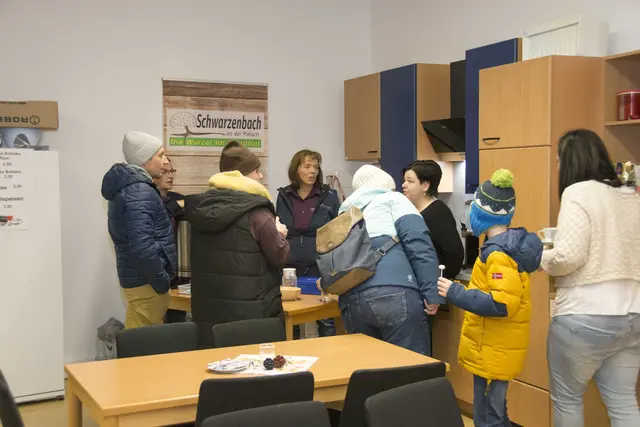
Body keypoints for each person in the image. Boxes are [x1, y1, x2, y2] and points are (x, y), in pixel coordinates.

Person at [540, 129, 640, 427]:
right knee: (624, 401)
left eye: (558, 160)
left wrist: (541, 258)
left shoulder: (577, 192)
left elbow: (568, 258)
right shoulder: (631, 195)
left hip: (584, 315)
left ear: (570, 161)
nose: (558, 167)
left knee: (568, 400)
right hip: (633, 316)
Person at [436, 169, 542, 427]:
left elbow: (501, 303)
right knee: (494, 412)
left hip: (494, 348)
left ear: (483, 214)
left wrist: (455, 292)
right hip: (496, 347)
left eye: (473, 207)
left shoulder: (498, 255)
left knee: (487, 417)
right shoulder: (505, 247)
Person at [184, 141, 290, 348]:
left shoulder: (201, 209)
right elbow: (279, 256)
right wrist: (280, 234)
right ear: (242, 175)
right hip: (253, 317)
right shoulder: (258, 212)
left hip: (209, 316)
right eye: (256, 171)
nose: (261, 176)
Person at [337, 165, 443, 356]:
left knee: (369, 368)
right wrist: (431, 292)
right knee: (409, 366)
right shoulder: (394, 199)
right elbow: (419, 246)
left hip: (352, 300)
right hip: (394, 294)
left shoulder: (345, 211)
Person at [101, 131, 177, 329]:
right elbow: (142, 246)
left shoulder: (130, 189)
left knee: (141, 339)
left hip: (141, 281)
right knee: (143, 344)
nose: (165, 161)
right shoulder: (139, 191)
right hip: (147, 284)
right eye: (160, 155)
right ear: (145, 160)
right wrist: (161, 281)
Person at [276, 150, 340, 337]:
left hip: (321, 266)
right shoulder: (284, 196)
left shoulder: (329, 196)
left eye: (316, 167)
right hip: (290, 269)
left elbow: (337, 231)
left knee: (326, 318)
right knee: (291, 316)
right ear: (296, 169)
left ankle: (331, 353)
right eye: (307, 166)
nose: (312, 171)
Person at [402, 160, 463, 279]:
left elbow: (454, 253)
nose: (404, 185)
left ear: (425, 186)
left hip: (433, 281)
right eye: (404, 180)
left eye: (410, 181)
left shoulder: (438, 213)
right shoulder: (410, 209)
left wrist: (442, 279)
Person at [153, 157, 189, 323]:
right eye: (165, 172)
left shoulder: (177, 197)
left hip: (178, 270)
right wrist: (178, 205)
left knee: (177, 317)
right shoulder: (150, 199)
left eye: (172, 171)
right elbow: (162, 214)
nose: (171, 175)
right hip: (158, 266)